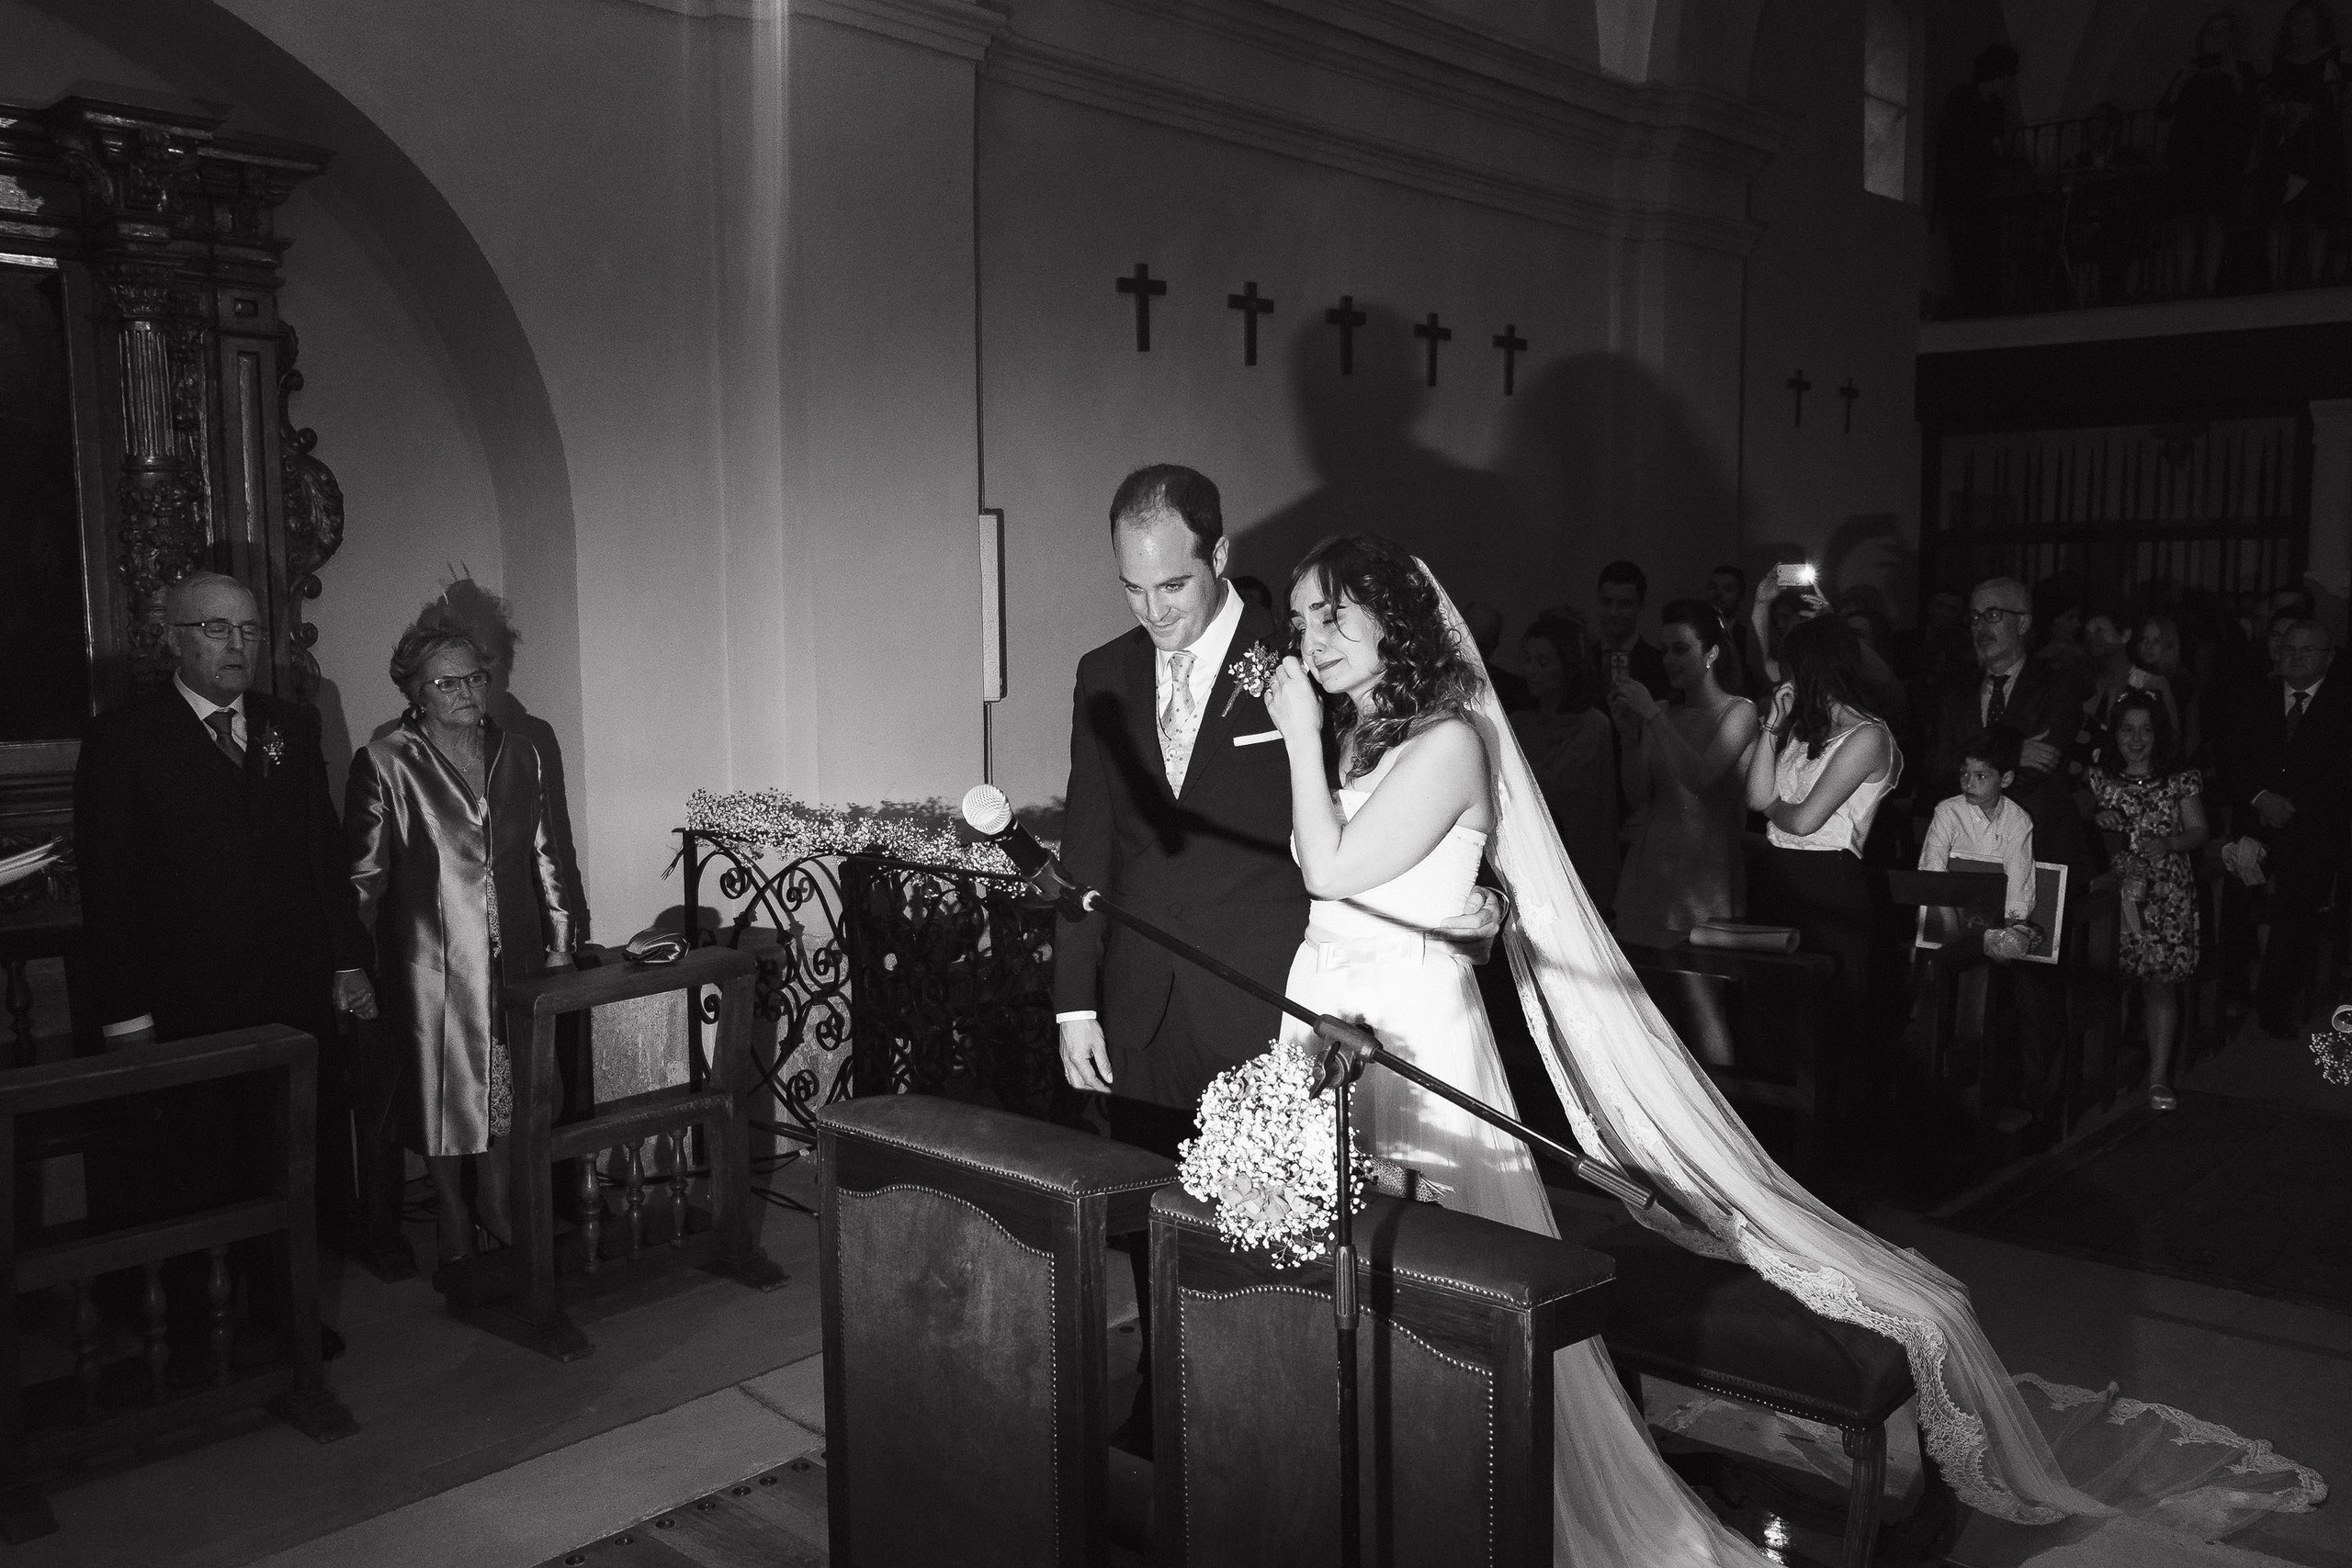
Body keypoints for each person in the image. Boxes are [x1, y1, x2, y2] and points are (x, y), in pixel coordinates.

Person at [1257, 536, 2321, 1564]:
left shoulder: (1444, 737)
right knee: (1342, 1269)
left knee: (1446, 1278)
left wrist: (1302, 741)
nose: (1308, 640)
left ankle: (1470, 1487)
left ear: (1393, 620)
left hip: (1406, 1036)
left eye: (1330, 614)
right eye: (1298, 619)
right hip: (1335, 1008)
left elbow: (1329, 865)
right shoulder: (1372, 737)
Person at [1053, 467, 1496, 1455]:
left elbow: (1399, 790)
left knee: (1277, 1233)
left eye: (1172, 584)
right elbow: (1090, 844)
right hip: (1139, 996)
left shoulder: (1302, 663)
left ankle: (1260, 1408)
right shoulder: (1101, 672)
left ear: (1218, 556)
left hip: (1273, 996)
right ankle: (1160, 1407)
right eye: (1131, 588)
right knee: (1146, 1209)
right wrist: (1071, 1000)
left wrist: (1477, 902)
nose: (1153, 609)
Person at [74, 570, 376, 1233]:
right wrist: (126, 1016)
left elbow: (322, 853)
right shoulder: (123, 740)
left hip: (290, 994)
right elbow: (110, 890)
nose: (237, 645)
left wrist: (346, 960)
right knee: (201, 1169)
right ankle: (202, 1326)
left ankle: (289, 1315)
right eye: (216, 628)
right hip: (188, 1002)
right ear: (172, 640)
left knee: (294, 1159)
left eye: (249, 629)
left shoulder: (290, 726)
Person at [346, 617, 576, 1261]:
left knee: (511, 1087)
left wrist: (561, 942)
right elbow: (362, 876)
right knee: (443, 1094)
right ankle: (451, 1208)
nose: (466, 691)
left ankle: (496, 1202)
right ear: (415, 691)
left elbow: (548, 853)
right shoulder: (386, 762)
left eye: (475, 677)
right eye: (446, 682)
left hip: (519, 953)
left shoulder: (520, 751)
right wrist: (351, 966)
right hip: (431, 963)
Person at [1928, 577, 2095, 1145]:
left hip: (2039, 848)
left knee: (2033, 982)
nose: (1981, 626)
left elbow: (2042, 765)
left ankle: (2042, 1113)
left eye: (1994, 614)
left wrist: (1981, 753)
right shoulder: (1955, 687)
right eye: (1974, 616)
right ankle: (1972, 1099)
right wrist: (2009, 750)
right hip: (1970, 857)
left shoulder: (2058, 682)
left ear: (2024, 623)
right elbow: (1935, 763)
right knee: (1967, 972)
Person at [1743, 615, 1902, 1095]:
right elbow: (1755, 798)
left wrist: (1775, 809)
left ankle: (1827, 1145)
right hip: (1778, 877)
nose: (1783, 680)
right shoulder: (1801, 727)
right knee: (1769, 1018)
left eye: (1791, 668)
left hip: (1828, 883)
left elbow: (1805, 820)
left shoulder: (1869, 736)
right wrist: (1772, 728)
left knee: (1826, 1026)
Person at [2211, 619, 2350, 1035]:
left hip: (2315, 829)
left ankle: (2274, 1006)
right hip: (2256, 821)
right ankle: (2232, 993)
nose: (2296, 656)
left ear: (2328, 657)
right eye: (2289, 648)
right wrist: (2260, 798)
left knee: (2296, 911)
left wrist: (2296, 806)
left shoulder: (2343, 703)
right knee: (2233, 901)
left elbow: (2344, 772)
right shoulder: (2255, 696)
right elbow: (2231, 755)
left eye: (2308, 650)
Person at [1608, 600, 1758, 948]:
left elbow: (1701, 777)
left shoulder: (1739, 712)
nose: (1669, 661)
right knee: (1645, 982)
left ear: (1711, 654)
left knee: (1702, 981)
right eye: (1665, 651)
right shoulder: (1663, 711)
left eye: (1680, 649)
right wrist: (1630, 739)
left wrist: (1653, 718)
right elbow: (1637, 795)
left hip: (1707, 862)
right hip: (1654, 855)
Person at [2088, 694, 2209, 1110]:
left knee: (2159, 984)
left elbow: (2199, 830)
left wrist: (2169, 842)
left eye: (2146, 730)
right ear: (2114, 734)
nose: (2136, 739)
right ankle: (2102, 1071)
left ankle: (2158, 1076)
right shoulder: (2098, 779)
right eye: (2127, 729)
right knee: (2106, 981)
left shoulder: (2179, 778)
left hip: (2165, 893)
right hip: (2114, 894)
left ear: (2158, 734)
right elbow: (2079, 833)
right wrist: (2098, 819)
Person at [1511, 614, 1620, 906]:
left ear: (1567, 667)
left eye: (1543, 662)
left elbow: (1566, 793)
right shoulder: (1519, 722)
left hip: (1575, 860)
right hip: (1528, 860)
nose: (1531, 670)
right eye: (1528, 660)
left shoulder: (1593, 725)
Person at [1918, 725, 2041, 961]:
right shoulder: (1948, 811)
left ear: (2006, 779)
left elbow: (2019, 876)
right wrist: (1951, 925)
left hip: (1997, 920)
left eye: (1981, 776)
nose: (1969, 783)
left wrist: (2010, 928)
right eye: (1964, 773)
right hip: (1948, 914)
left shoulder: (2018, 820)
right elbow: (1932, 868)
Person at [2157, 12, 2257, 296]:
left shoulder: (2242, 69)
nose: (2217, 37)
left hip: (2222, 155)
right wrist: (2179, 83)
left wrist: (2235, 78)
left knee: (2216, 216)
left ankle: (2208, 282)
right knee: (2186, 218)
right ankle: (2184, 283)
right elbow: (2163, 111)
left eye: (2223, 32)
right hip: (2188, 153)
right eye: (2212, 32)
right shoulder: (2188, 71)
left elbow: (2250, 110)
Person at [2254, 0, 2346, 288]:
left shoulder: (2335, 57)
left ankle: (2316, 278)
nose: (2299, 28)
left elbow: (2338, 102)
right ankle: (2277, 278)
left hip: (2319, 143)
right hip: (2284, 144)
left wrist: (2312, 110)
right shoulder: (2279, 61)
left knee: (2317, 212)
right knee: (2280, 211)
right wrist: (2284, 110)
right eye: (2294, 22)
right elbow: (2266, 102)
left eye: (2306, 21)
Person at [1937, 42, 2020, 313]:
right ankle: (1966, 306)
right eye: (2007, 75)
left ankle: (1983, 306)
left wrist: (2004, 158)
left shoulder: (1995, 107)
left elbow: (1995, 143)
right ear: (1999, 73)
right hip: (1960, 187)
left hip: (1982, 189)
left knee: (1985, 248)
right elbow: (1952, 143)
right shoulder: (1962, 99)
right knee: (1964, 249)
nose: (2008, 81)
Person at [1593, 558, 1670, 700]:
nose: (1614, 612)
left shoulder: (1662, 666)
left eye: (1624, 604)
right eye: (1606, 602)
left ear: (1641, 606)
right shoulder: (1582, 662)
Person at [1461, 597, 1532, 712]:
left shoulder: (1512, 691)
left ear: (1493, 647)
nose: (1470, 651)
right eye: (1466, 641)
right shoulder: (1432, 678)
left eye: (1480, 646)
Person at [1707, 564, 1767, 699]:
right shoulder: (1696, 636)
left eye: (1727, 589)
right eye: (1713, 587)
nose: (1718, 594)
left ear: (1740, 597)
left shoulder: (1747, 640)